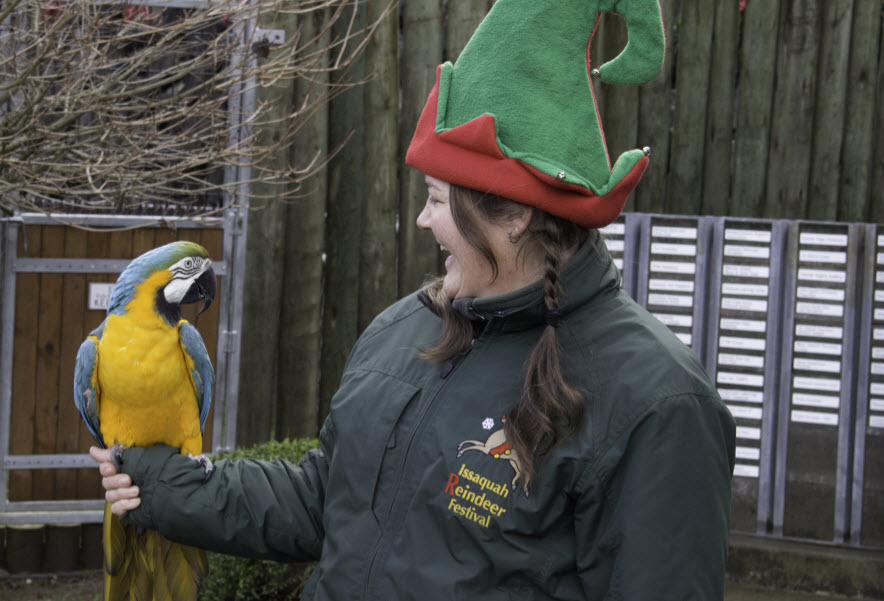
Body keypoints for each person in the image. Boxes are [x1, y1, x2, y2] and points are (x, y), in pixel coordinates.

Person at [93, 0, 736, 599]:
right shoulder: (407, 329)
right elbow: (330, 499)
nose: (424, 222)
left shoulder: (657, 403)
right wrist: (159, 484)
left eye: (435, 200)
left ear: (513, 215)